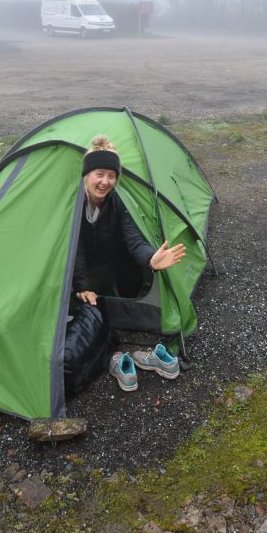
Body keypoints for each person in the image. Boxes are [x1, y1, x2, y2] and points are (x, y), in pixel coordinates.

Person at [73, 135, 186, 391]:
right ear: (86, 175)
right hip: (84, 258)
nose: (105, 182)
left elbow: (132, 236)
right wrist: (81, 283)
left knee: (131, 281)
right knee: (79, 289)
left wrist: (150, 259)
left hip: (112, 254)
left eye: (111, 176)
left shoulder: (118, 201)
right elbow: (74, 247)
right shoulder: (73, 203)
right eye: (99, 174)